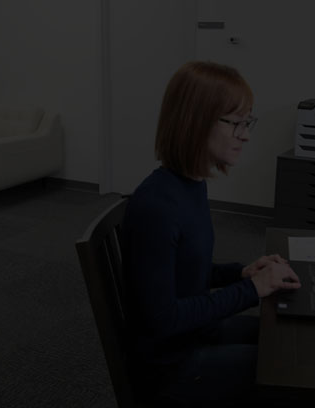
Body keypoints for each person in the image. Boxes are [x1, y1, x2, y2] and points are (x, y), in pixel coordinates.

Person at [121, 60, 301, 407]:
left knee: (288, 337)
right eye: (236, 123)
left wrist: (240, 272)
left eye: (247, 122)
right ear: (196, 121)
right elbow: (162, 319)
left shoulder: (191, 184)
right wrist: (252, 289)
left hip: (193, 334)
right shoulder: (156, 206)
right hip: (171, 366)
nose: (245, 135)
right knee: (291, 370)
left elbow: (186, 270)